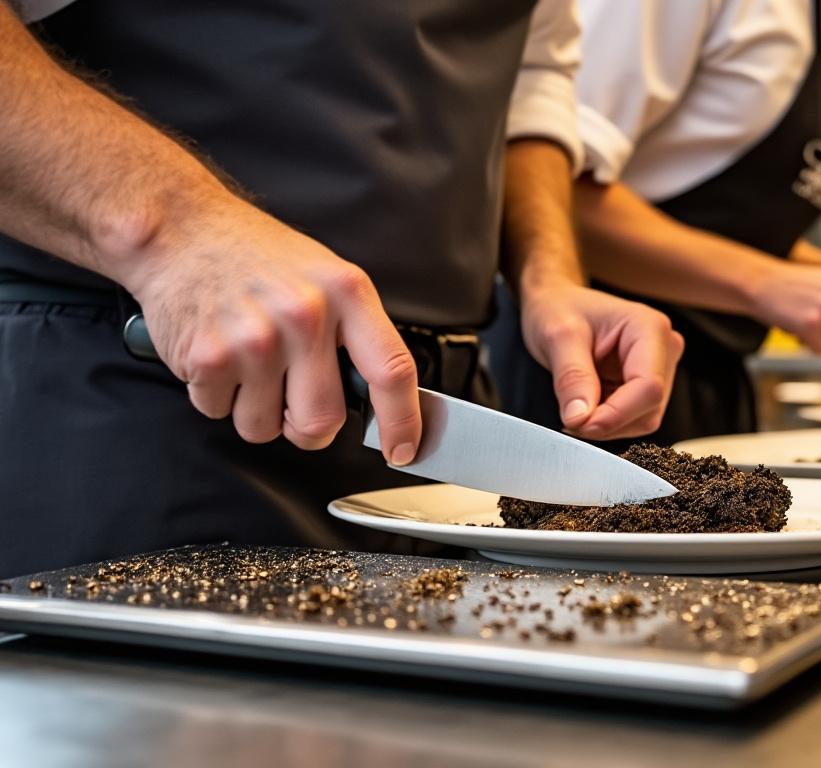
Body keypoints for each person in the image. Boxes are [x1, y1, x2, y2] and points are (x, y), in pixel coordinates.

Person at [0, 0, 682, 576]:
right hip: (139, 405)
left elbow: (530, 78)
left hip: (435, 449)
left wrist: (548, 273)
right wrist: (175, 231)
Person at [486, 0, 821, 445]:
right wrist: (763, 283)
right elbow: (550, 190)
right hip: (600, 360)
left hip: (715, 366)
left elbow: (725, 224)